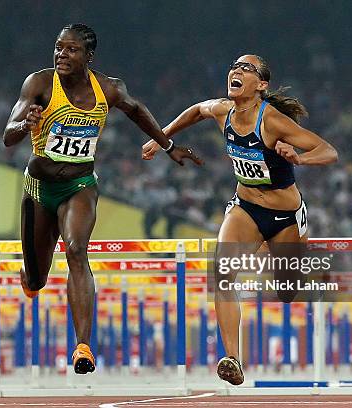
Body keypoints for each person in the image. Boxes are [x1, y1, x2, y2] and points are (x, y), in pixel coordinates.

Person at [2, 23, 201, 375]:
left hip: (79, 186)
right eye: (58, 48)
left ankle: (82, 347)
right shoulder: (39, 84)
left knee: (77, 250)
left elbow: (137, 110)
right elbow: (8, 136)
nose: (62, 55)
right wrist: (26, 124)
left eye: (72, 50)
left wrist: (168, 145)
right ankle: (30, 276)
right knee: (36, 280)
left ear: (88, 56)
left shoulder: (108, 88)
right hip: (38, 189)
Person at [142, 54, 337, 385]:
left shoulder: (273, 121)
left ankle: (294, 262)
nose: (237, 70)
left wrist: (299, 159)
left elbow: (329, 151)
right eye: (235, 66)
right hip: (245, 207)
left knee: (287, 291)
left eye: (247, 69)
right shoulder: (222, 111)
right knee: (223, 272)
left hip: (285, 215)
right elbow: (196, 110)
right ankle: (233, 357)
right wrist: (162, 138)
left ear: (261, 85)